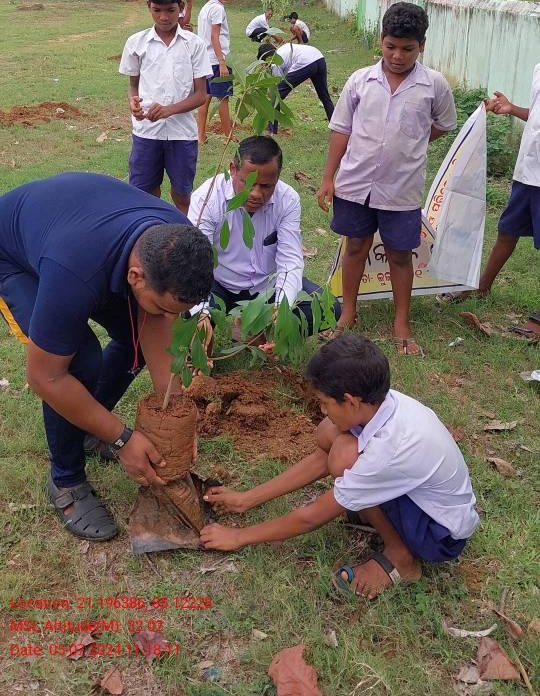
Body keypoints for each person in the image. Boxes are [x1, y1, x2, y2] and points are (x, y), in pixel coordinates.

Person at [0, 172, 214, 541]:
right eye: (163, 308)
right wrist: (121, 439)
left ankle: (87, 428)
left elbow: (156, 327)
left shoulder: (176, 239)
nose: (168, 318)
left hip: (76, 229)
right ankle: (66, 480)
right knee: (79, 362)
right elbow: (45, 378)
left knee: (136, 339)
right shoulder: (74, 270)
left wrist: (175, 415)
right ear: (136, 277)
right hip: (13, 253)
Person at [200, 334, 479, 599]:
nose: (322, 410)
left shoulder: (388, 450)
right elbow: (321, 458)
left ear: (351, 401)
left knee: (345, 458)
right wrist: (246, 499)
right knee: (330, 434)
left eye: (325, 403)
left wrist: (238, 537)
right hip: (419, 501)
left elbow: (311, 517)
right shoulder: (381, 403)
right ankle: (375, 513)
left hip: (438, 534)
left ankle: (401, 557)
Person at [317, 2, 456, 356]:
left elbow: (443, 124)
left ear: (421, 45)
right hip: (355, 184)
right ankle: (348, 311)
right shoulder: (360, 81)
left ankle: (401, 322)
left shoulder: (433, 85)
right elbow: (341, 129)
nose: (397, 56)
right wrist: (328, 177)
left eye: (407, 49)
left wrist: (411, 142)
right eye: (391, 46)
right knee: (355, 246)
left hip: (401, 189)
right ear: (381, 39)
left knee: (399, 254)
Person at [188, 135, 340, 336]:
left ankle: (258, 332)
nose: (256, 194)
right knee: (188, 314)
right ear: (233, 169)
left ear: (277, 176)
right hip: (218, 283)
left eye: (266, 186)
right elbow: (197, 264)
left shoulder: (287, 199)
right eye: (248, 183)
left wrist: (280, 310)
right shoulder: (207, 199)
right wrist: (202, 313)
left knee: (328, 308)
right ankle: (216, 328)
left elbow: (289, 260)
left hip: (266, 287)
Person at [119, 0, 212, 215]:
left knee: (182, 194)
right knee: (145, 193)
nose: (163, 17)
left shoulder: (194, 45)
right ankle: (150, 231)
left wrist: (169, 110)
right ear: (148, 6)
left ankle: (183, 231)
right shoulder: (136, 43)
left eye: (170, 10)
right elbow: (133, 85)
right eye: (157, 10)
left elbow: (201, 95)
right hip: (146, 132)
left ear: (181, 6)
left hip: (182, 134)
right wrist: (133, 103)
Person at [468, 69, 540, 329]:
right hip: (527, 171)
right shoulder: (538, 69)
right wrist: (512, 109)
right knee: (507, 230)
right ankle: (482, 286)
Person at [258, 41, 334, 134]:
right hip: (319, 57)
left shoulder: (274, 62)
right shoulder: (283, 49)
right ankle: (335, 128)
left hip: (305, 62)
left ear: (267, 58)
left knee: (276, 95)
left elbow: (277, 84)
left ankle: (272, 130)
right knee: (324, 96)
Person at [197, 0, 234, 143]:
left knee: (205, 97)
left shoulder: (206, 7)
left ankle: (201, 135)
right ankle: (228, 137)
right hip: (216, 60)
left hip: (205, 59)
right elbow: (215, 36)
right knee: (223, 98)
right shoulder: (218, 8)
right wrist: (222, 62)